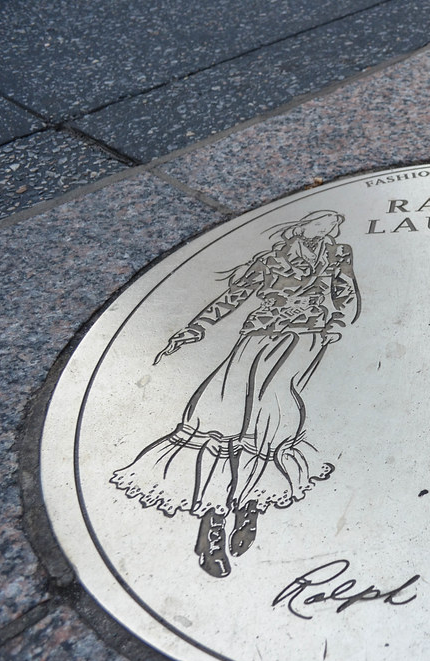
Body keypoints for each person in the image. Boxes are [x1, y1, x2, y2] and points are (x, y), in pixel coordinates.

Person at [111, 210, 360, 577]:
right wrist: (195, 328)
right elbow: (232, 298)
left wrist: (335, 322)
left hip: (306, 338)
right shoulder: (270, 259)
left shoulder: (338, 254)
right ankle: (212, 522)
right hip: (259, 335)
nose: (330, 231)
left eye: (332, 227)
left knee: (274, 416)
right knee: (226, 417)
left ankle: (250, 505)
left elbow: (346, 293)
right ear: (303, 227)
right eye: (323, 225)